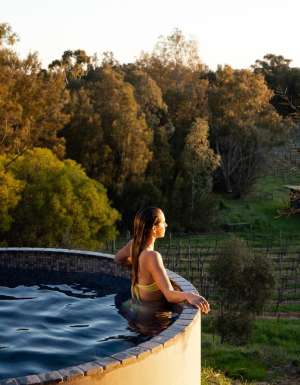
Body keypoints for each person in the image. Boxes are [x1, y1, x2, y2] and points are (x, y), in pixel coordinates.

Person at [115, 207, 210, 314]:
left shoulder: (133, 245)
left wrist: (137, 266)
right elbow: (169, 295)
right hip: (150, 319)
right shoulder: (152, 256)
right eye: (163, 222)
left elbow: (118, 259)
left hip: (134, 308)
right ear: (154, 228)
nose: (166, 225)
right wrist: (189, 295)